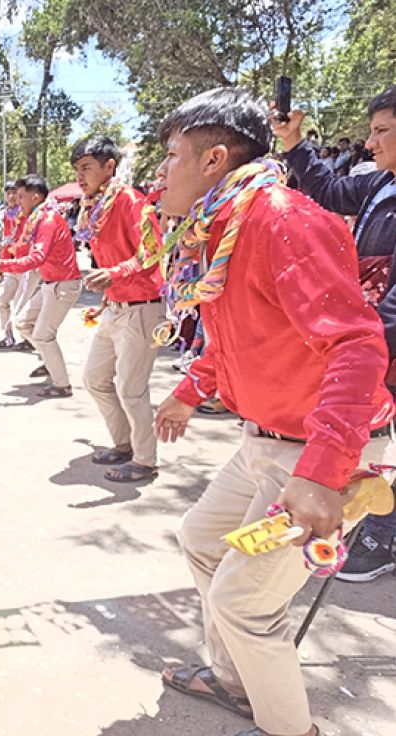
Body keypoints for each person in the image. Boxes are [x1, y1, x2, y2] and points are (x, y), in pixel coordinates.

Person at [150, 88, 395, 736]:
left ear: (214, 159)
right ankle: (236, 684)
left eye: (171, 155)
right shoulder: (224, 224)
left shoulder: (282, 218)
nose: (161, 172)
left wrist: (322, 472)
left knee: (244, 602)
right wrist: (190, 390)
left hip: (318, 448)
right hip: (264, 441)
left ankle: (291, 728)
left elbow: (357, 345)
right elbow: (242, 334)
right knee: (202, 540)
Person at [274, 84, 396, 583]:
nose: (370, 143)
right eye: (371, 131)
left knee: (381, 441)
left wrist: (370, 350)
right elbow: (326, 190)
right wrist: (293, 142)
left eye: (382, 130)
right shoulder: (380, 183)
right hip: (374, 340)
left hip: (384, 343)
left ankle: (381, 539)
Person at [73, 136, 164, 484]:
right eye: (77, 169)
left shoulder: (131, 201)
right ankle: (125, 443)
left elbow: (152, 252)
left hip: (142, 306)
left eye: (86, 168)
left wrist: (113, 273)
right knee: (94, 378)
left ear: (109, 166)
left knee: (131, 388)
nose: (80, 177)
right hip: (116, 306)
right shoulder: (95, 206)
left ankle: (145, 460)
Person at [0, 175, 81, 399]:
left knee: (43, 335)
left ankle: (62, 385)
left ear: (36, 197)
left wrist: (4, 265)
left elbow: (37, 257)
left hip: (62, 285)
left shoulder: (47, 220)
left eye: (21, 196)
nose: (16, 200)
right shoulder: (37, 218)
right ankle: (50, 361)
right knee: (22, 323)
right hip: (51, 284)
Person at [0, 182, 24, 350]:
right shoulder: (5, 214)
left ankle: (29, 339)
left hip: (27, 265)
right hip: (11, 265)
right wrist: (1, 266)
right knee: (1, 301)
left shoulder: (26, 212)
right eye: (8, 193)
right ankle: (8, 337)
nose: (11, 196)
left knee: (24, 305)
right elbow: (6, 240)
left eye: (14, 192)